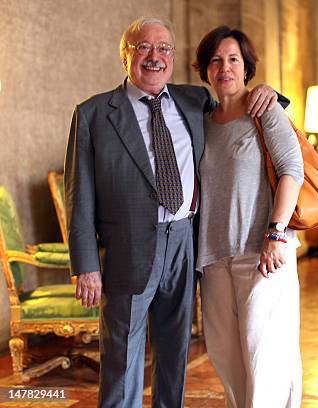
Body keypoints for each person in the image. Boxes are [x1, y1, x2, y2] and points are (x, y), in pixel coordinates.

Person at [64, 17, 282, 408]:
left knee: (175, 350)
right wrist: (85, 265)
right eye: (143, 47)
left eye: (164, 48)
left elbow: (238, 106)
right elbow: (78, 196)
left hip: (185, 241)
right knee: (122, 354)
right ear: (125, 55)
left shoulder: (194, 101)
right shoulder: (94, 114)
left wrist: (267, 91)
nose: (155, 56)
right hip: (128, 247)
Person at [192, 26, 304, 408]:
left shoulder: (264, 109)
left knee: (265, 357)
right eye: (216, 60)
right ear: (205, 70)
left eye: (233, 59)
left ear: (246, 67)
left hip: (262, 253)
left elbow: (292, 169)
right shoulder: (202, 121)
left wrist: (276, 233)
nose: (225, 67)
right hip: (213, 257)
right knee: (228, 360)